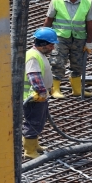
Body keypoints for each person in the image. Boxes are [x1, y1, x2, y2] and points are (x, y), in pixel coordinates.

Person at [44, 0, 92, 98]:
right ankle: (55, 89)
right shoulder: (56, 1)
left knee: (78, 63)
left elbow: (89, 24)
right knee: (57, 62)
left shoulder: (87, 2)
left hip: (79, 38)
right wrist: (44, 38)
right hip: (60, 38)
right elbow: (48, 20)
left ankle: (77, 89)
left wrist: (89, 42)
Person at [22, 27, 58, 159]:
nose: (53, 48)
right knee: (33, 122)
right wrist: (41, 91)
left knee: (40, 120)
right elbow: (34, 77)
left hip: (40, 96)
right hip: (33, 97)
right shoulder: (33, 57)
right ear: (43, 44)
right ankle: (29, 151)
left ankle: (34, 144)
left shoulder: (39, 55)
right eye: (51, 44)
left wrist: (48, 88)